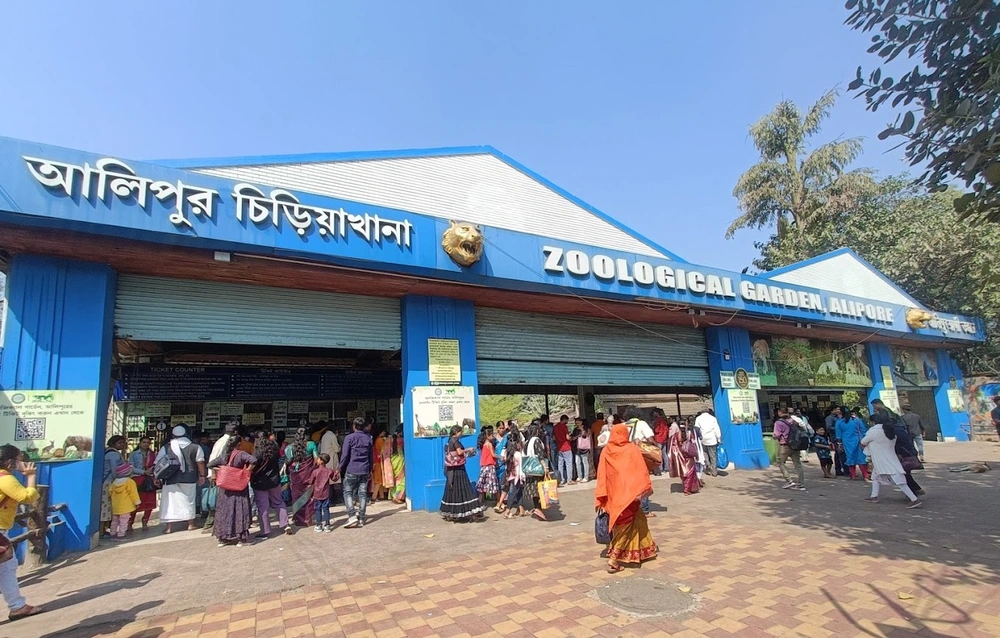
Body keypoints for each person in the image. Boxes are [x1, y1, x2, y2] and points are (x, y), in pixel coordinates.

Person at [595, 423, 659, 573]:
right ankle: (614, 559)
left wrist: (602, 496)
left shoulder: (606, 451)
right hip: (630, 494)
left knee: (639, 519)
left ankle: (645, 549)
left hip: (614, 495)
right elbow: (641, 470)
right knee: (625, 526)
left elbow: (601, 475)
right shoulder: (631, 449)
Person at [0, 445, 43, 620]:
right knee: (7, 567)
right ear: (10, 462)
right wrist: (31, 476)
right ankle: (17, 605)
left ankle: (17, 605)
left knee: (7, 567)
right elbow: (28, 497)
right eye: (19, 459)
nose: (22, 462)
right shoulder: (6, 479)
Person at [861, 408, 923, 508]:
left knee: (899, 481)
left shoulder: (873, 431)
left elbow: (863, 442)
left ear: (873, 422)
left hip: (880, 459)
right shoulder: (890, 431)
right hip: (890, 458)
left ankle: (914, 499)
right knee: (876, 477)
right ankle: (874, 496)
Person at [207, 433, 256, 546]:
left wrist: (222, 470)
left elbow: (210, 464)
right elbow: (253, 460)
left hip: (225, 489)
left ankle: (223, 538)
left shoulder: (224, 455)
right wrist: (247, 471)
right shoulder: (241, 454)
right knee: (240, 510)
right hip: (238, 487)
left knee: (224, 511)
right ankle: (241, 539)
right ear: (239, 444)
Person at [158, 425, 206, 533]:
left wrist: (156, 477)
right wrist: (202, 475)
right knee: (189, 501)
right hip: (189, 478)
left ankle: (169, 528)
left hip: (170, 479)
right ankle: (191, 524)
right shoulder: (195, 447)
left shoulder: (166, 447)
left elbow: (158, 462)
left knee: (169, 503)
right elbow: (200, 462)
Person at [441, 424, 485, 522]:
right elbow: (460, 452)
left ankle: (452, 513)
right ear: (456, 432)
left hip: (451, 470)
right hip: (458, 469)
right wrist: (468, 449)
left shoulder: (449, 441)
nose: (462, 433)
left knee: (453, 490)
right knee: (464, 488)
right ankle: (473, 512)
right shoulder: (455, 441)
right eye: (460, 431)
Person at [251, 431, 290, 538]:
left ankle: (265, 531)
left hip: (259, 482)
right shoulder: (274, 449)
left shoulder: (257, 453)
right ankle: (285, 524)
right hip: (274, 480)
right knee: (278, 502)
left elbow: (252, 466)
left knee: (263, 507)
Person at [202, 423, 236, 534]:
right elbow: (213, 459)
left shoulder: (222, 441)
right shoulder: (224, 442)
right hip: (217, 475)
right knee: (216, 500)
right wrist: (213, 474)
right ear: (234, 432)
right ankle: (209, 524)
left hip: (220, 474)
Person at [340, 417, 373, 529]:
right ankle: (361, 518)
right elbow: (370, 456)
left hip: (352, 469)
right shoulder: (368, 438)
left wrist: (340, 468)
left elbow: (345, 456)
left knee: (347, 492)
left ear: (354, 426)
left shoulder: (349, 438)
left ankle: (352, 515)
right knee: (363, 493)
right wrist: (370, 470)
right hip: (364, 469)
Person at [128, 436, 157, 532]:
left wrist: (151, 470)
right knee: (136, 502)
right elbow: (130, 467)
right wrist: (143, 472)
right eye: (144, 442)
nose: (146, 444)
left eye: (148, 442)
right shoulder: (133, 454)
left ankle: (145, 521)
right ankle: (130, 523)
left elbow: (156, 465)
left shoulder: (153, 455)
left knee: (149, 501)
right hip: (137, 479)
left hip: (149, 480)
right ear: (140, 443)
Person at [773, 408, 806, 491]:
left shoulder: (779, 422)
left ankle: (789, 480)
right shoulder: (794, 421)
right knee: (798, 464)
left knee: (780, 462)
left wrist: (774, 436)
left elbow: (776, 435)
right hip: (795, 445)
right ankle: (801, 484)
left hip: (785, 445)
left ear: (780, 413)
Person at [101, 435, 127, 537]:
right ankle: (102, 530)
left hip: (106, 481)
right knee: (106, 506)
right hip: (109, 482)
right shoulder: (113, 455)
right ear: (113, 443)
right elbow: (115, 470)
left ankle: (105, 528)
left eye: (123, 443)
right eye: (120, 443)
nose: (122, 445)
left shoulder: (108, 452)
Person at [523, 423, 549, 521]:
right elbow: (540, 455)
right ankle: (538, 508)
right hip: (537, 469)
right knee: (540, 489)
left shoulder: (527, 442)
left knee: (534, 490)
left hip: (529, 469)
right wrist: (545, 466)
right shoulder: (536, 441)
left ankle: (537, 508)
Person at [836, 407, 871, 481]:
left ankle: (853, 475)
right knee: (861, 458)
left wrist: (839, 444)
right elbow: (863, 430)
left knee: (850, 457)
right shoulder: (857, 420)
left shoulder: (839, 422)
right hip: (858, 441)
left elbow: (838, 435)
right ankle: (865, 475)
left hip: (847, 442)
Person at [108, 462, 139, 541]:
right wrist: (137, 503)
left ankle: (113, 533)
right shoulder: (130, 482)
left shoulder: (114, 482)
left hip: (116, 506)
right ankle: (121, 534)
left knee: (115, 521)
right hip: (125, 506)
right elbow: (133, 494)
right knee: (124, 521)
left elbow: (110, 492)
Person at [309, 453, 337, 532]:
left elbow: (310, 481)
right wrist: (337, 473)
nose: (317, 460)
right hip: (326, 493)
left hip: (317, 493)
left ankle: (319, 525)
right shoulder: (329, 471)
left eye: (318, 459)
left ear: (321, 461)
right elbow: (334, 479)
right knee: (326, 509)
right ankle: (327, 525)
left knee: (317, 509)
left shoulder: (315, 471)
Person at [503, 427, 526, 519]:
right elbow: (520, 467)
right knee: (513, 493)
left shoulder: (507, 453)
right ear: (516, 444)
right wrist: (522, 477)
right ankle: (507, 511)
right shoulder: (518, 454)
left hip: (511, 475)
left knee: (519, 492)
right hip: (518, 476)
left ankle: (521, 510)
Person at [694, 409, 722, 477]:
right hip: (712, 439)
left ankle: (708, 465)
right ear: (708, 411)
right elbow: (716, 429)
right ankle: (714, 471)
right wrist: (719, 438)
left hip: (703, 439)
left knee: (704, 453)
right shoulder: (713, 418)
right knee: (713, 455)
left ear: (701, 412)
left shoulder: (698, 418)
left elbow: (696, 429)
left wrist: (697, 439)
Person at [476, 427, 499, 503]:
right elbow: (493, 455)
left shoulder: (483, 445)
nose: (493, 437)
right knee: (494, 485)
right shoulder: (489, 444)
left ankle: (479, 502)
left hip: (484, 467)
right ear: (488, 436)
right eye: (492, 435)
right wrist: (501, 457)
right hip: (490, 467)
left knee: (482, 486)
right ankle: (499, 502)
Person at [373, 430, 395, 501]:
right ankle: (374, 497)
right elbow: (384, 449)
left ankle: (381, 496)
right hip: (379, 461)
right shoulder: (380, 440)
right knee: (378, 479)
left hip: (377, 461)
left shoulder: (377, 439)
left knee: (379, 479)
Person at [573, 417, 592, 483]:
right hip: (577, 448)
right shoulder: (575, 429)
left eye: (578, 422)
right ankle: (579, 476)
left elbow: (584, 436)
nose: (577, 424)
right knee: (577, 462)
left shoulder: (586, 429)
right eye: (576, 423)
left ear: (581, 422)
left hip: (584, 448)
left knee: (585, 462)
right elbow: (573, 437)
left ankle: (586, 477)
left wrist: (581, 429)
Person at [389, 430, 405, 505]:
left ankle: (392, 495)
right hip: (400, 460)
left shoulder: (390, 441)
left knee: (394, 479)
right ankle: (397, 496)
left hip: (392, 460)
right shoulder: (402, 440)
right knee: (401, 479)